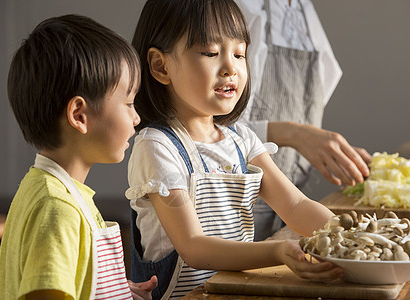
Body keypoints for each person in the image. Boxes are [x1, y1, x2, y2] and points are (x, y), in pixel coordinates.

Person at [126, 1, 343, 299]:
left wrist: (348, 235)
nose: (230, 68)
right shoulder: (157, 146)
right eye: (211, 53)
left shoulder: (242, 139)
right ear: (161, 66)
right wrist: (277, 251)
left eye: (239, 54)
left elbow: (295, 206)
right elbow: (193, 247)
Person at [0, 14, 157, 300]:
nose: (136, 117)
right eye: (129, 103)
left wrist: (117, 291)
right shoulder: (57, 208)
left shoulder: (49, 190)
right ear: (79, 115)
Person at [234, 0, 372, 240]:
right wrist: (293, 134)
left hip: (290, 197)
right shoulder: (240, 7)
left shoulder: (302, 9)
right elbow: (209, 127)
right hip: (240, 201)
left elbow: (296, 206)